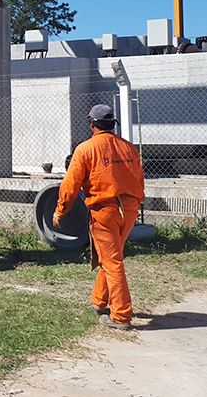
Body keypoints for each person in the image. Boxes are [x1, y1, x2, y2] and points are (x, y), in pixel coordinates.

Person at [53, 104, 145, 331]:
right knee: (111, 256)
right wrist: (135, 203)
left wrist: (60, 210)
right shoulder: (129, 148)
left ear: (92, 124)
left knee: (113, 261)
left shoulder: (85, 149)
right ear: (113, 124)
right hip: (130, 208)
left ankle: (121, 316)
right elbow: (139, 180)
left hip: (105, 211)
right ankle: (99, 301)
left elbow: (70, 184)